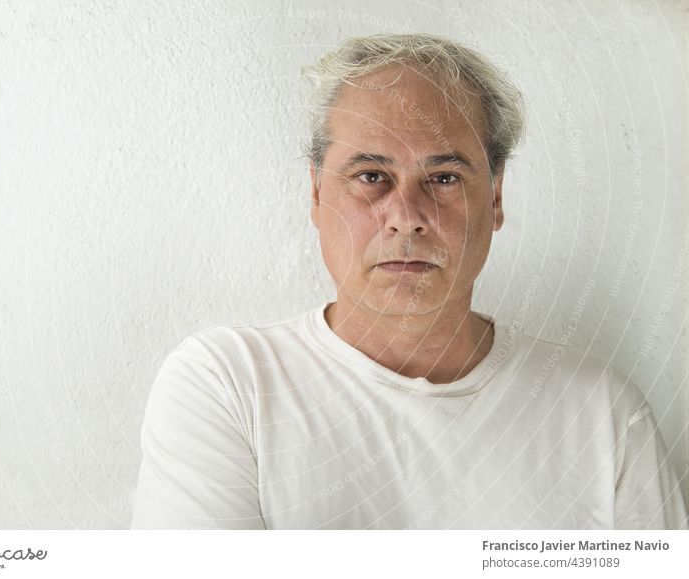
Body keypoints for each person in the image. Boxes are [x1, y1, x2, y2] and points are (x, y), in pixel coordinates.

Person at [131, 33, 687, 529]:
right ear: (317, 194)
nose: (407, 215)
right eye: (371, 176)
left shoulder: (602, 414)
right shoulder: (229, 386)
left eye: (444, 177)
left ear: (494, 198)